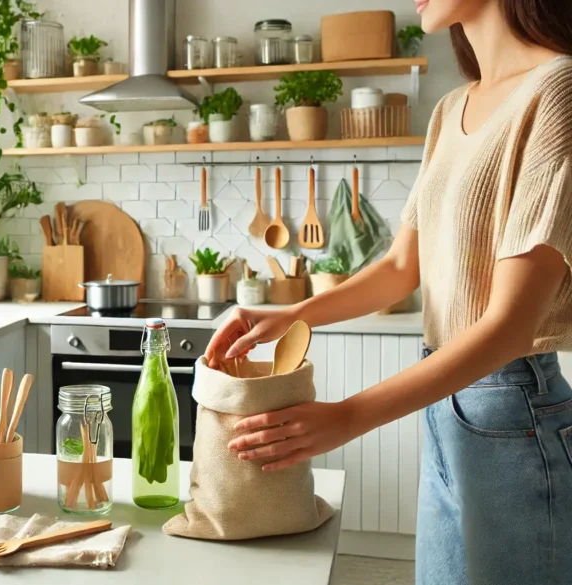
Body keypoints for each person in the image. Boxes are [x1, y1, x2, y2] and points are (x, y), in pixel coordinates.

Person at [205, 1, 572, 583]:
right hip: (445, 404)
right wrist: (293, 314)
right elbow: (402, 266)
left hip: (510, 409)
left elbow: (509, 327)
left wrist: (347, 417)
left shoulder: (558, 91)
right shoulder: (453, 108)